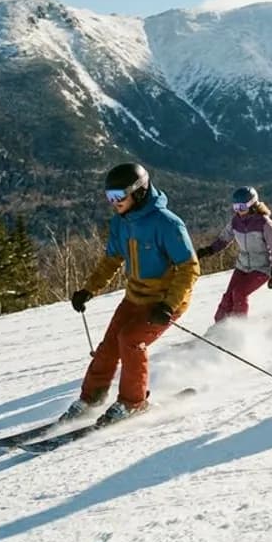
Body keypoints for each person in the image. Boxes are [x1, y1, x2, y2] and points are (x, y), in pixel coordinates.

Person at [66, 163, 200, 424]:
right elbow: (111, 260)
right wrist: (88, 289)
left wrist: (168, 305)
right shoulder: (120, 223)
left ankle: (133, 402)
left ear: (138, 192)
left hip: (163, 302)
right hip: (135, 297)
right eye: (109, 197)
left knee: (130, 340)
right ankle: (91, 397)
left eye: (119, 197)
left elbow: (190, 267)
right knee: (108, 346)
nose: (114, 203)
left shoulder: (167, 223)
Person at [197, 186, 272, 323]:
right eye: (236, 207)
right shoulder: (235, 222)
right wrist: (208, 250)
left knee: (239, 293)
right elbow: (223, 239)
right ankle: (218, 328)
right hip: (242, 266)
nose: (239, 211)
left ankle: (239, 330)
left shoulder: (265, 223)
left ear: (252, 204)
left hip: (261, 269)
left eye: (242, 207)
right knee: (228, 298)